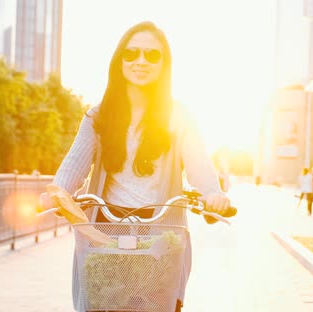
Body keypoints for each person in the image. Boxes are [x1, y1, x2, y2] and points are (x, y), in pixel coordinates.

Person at [42, 21, 231, 312]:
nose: (140, 61)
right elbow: (66, 176)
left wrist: (213, 194)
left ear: (164, 64)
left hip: (161, 239)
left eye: (151, 55)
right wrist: (57, 192)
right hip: (103, 236)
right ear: (119, 61)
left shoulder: (179, 117)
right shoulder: (97, 118)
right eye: (131, 54)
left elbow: (200, 168)